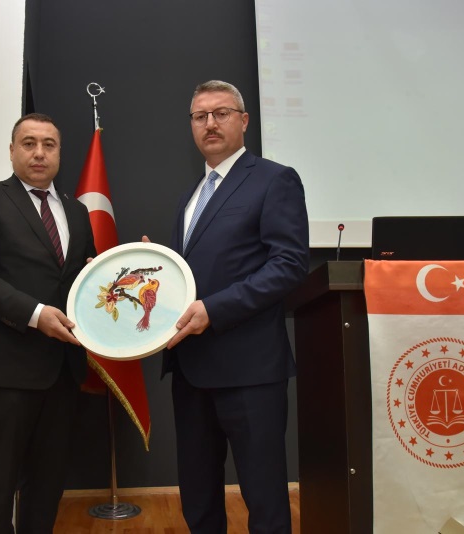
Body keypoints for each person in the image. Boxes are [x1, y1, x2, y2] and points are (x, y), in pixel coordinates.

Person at [162, 80, 309, 533]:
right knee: (198, 498)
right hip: (190, 369)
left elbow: (289, 264)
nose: (210, 123)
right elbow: (195, 273)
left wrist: (215, 310)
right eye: (199, 116)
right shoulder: (191, 195)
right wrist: (156, 267)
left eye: (221, 113)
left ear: (244, 121)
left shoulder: (274, 179)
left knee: (264, 500)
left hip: (249, 371)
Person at [0, 113, 96, 534]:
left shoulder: (77, 211)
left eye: (49, 144)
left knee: (47, 486)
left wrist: (132, 268)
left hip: (62, 372)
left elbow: (84, 281)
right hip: (4, 371)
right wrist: (35, 315)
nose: (39, 153)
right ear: (12, 150)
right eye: (29, 143)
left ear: (59, 153)